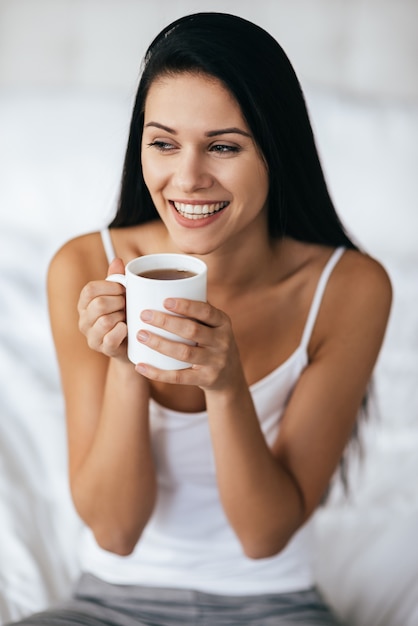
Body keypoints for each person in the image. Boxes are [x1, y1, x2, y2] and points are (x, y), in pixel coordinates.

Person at [9, 11, 392, 626]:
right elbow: (115, 531)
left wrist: (226, 382)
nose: (186, 179)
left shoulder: (347, 288)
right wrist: (126, 363)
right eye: (163, 143)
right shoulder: (83, 264)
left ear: (275, 147)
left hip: (274, 605)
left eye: (223, 146)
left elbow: (264, 537)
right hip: (107, 601)